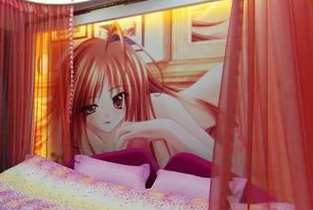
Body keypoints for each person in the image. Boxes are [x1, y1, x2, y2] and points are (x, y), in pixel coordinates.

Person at [72, 24, 221, 165]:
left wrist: (168, 129)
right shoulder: (82, 130)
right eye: (90, 107)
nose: (106, 115)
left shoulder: (158, 105)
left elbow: (223, 167)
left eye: (118, 100)